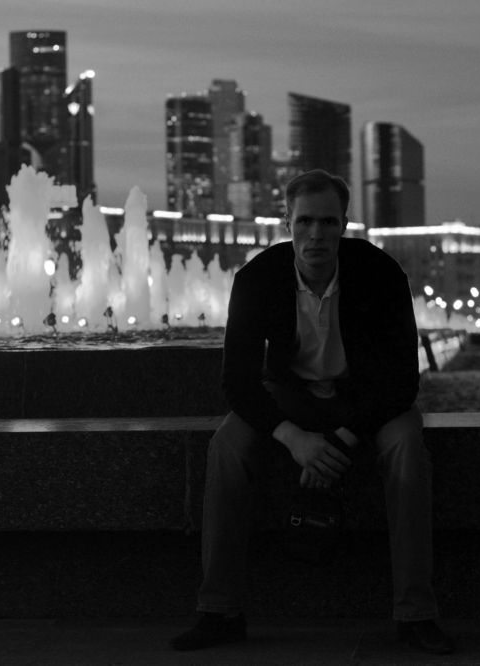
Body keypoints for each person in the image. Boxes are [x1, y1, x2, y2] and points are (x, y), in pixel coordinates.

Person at [170, 169, 454, 655]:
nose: (316, 234)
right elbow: (237, 382)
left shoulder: (382, 274)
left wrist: (343, 438)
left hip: (365, 400)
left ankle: (416, 614)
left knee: (407, 448)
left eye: (327, 222)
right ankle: (219, 610)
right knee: (226, 447)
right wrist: (293, 438)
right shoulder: (257, 279)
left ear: (344, 224)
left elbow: (403, 380)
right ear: (287, 223)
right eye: (305, 222)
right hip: (290, 398)